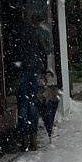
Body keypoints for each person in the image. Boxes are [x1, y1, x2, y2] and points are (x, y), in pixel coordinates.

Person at [14, 9, 50, 151]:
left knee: (22, 105)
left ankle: (24, 139)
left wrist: (16, 68)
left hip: (22, 71)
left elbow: (12, 54)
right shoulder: (34, 33)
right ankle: (33, 138)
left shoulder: (15, 34)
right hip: (34, 70)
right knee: (32, 103)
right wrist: (44, 70)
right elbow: (43, 52)